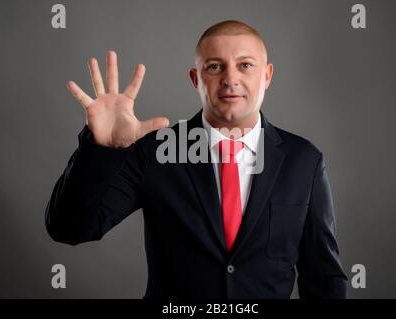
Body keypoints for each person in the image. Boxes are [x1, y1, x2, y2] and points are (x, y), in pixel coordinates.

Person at [45, 20, 347, 299]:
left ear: (266, 75)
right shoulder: (154, 152)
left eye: (245, 66)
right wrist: (102, 148)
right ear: (196, 79)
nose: (231, 79)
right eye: (215, 67)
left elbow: (323, 276)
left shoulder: (303, 160)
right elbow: (69, 229)